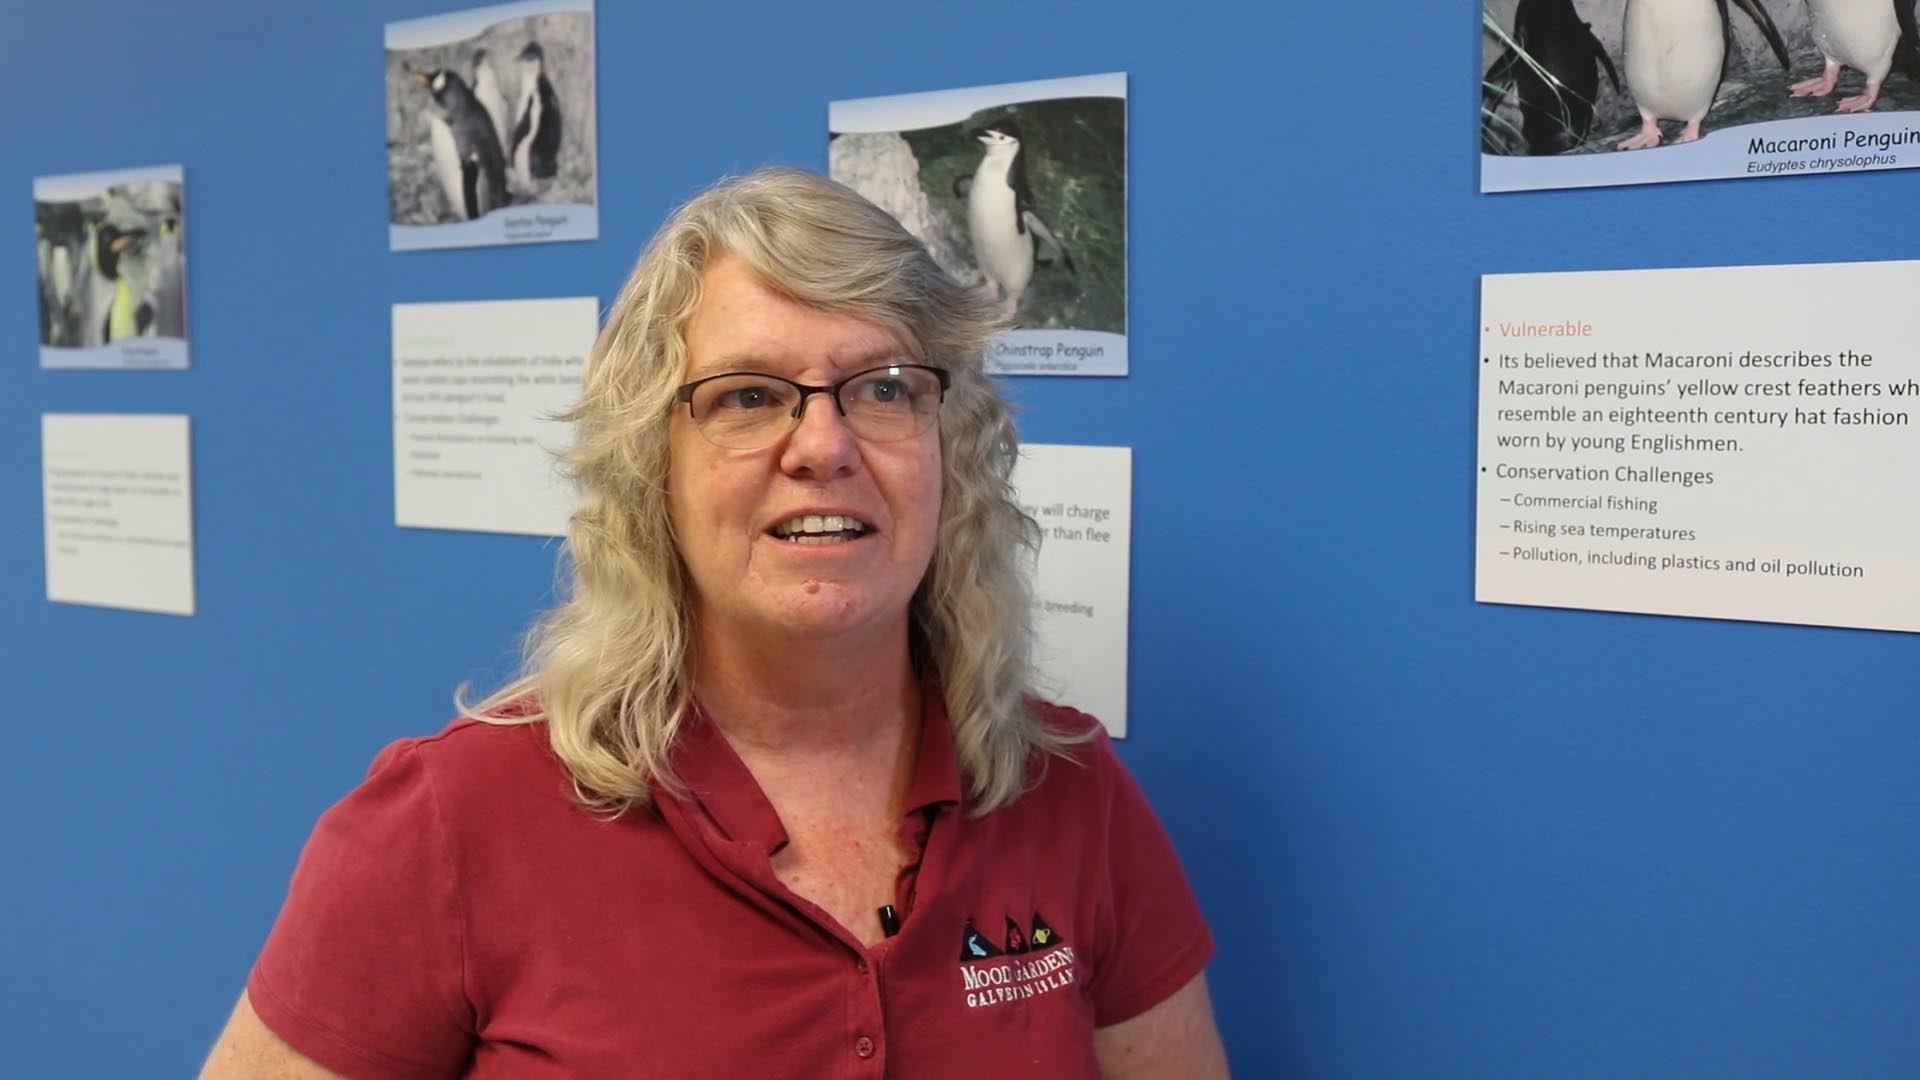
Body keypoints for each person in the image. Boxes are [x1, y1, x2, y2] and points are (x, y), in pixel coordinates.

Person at [200, 168, 1226, 1079]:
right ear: (656, 468)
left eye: (882, 388)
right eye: (747, 396)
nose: (822, 445)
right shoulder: (450, 825)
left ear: (948, 449)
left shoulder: (1069, 791)